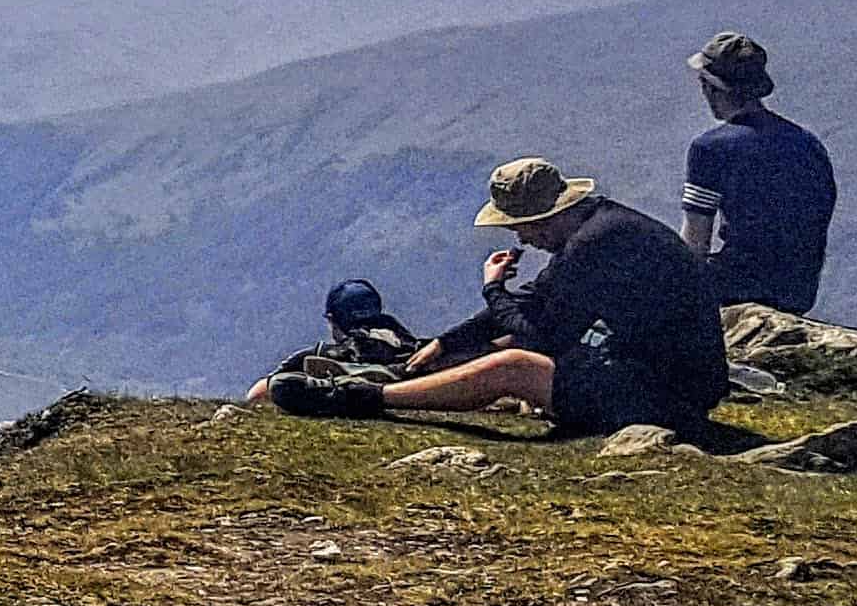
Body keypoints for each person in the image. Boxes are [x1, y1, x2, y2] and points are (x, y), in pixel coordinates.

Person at [258, 157, 733, 438]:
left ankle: (364, 397)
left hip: (667, 396)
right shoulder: (602, 227)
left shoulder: (594, 245)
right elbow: (537, 300)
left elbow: (543, 336)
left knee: (511, 366)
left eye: (520, 228)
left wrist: (492, 288)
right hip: (669, 379)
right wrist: (445, 343)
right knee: (505, 349)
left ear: (544, 218)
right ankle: (411, 381)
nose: (523, 241)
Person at [678, 29, 836, 317]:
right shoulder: (808, 144)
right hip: (798, 292)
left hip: (737, 290)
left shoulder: (710, 149)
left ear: (712, 88)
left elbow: (694, 245)